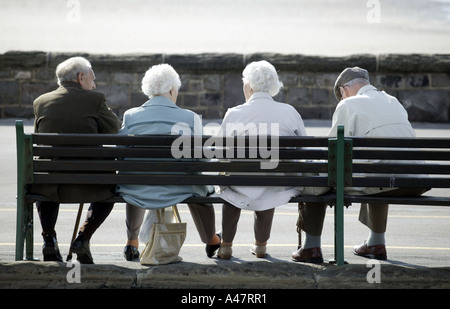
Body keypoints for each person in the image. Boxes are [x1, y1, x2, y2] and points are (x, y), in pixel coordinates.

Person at [291, 67, 430, 263]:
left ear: (343, 90)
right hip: (416, 181)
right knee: (379, 169)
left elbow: (333, 155)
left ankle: (311, 247)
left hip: (381, 182)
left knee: (315, 179)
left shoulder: (348, 104)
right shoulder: (393, 101)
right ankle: (376, 242)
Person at [116, 64, 221, 261]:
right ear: (172, 90)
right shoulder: (189, 117)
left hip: (139, 186)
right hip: (178, 186)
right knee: (199, 185)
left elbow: (122, 153)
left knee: (134, 179)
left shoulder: (130, 116)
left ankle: (132, 242)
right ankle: (212, 240)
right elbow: (202, 157)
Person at [31, 56, 121, 263]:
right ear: (81, 77)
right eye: (92, 78)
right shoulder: (95, 99)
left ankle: (49, 239)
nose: (94, 84)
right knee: (111, 188)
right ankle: (83, 238)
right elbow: (114, 129)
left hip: (50, 185)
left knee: (45, 177)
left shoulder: (40, 102)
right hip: (92, 184)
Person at [217, 60, 307, 259]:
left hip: (240, 182)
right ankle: (260, 246)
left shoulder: (234, 114)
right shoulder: (289, 112)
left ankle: (226, 245)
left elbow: (220, 151)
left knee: (231, 186)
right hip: (277, 185)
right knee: (269, 184)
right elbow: (304, 150)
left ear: (248, 85)